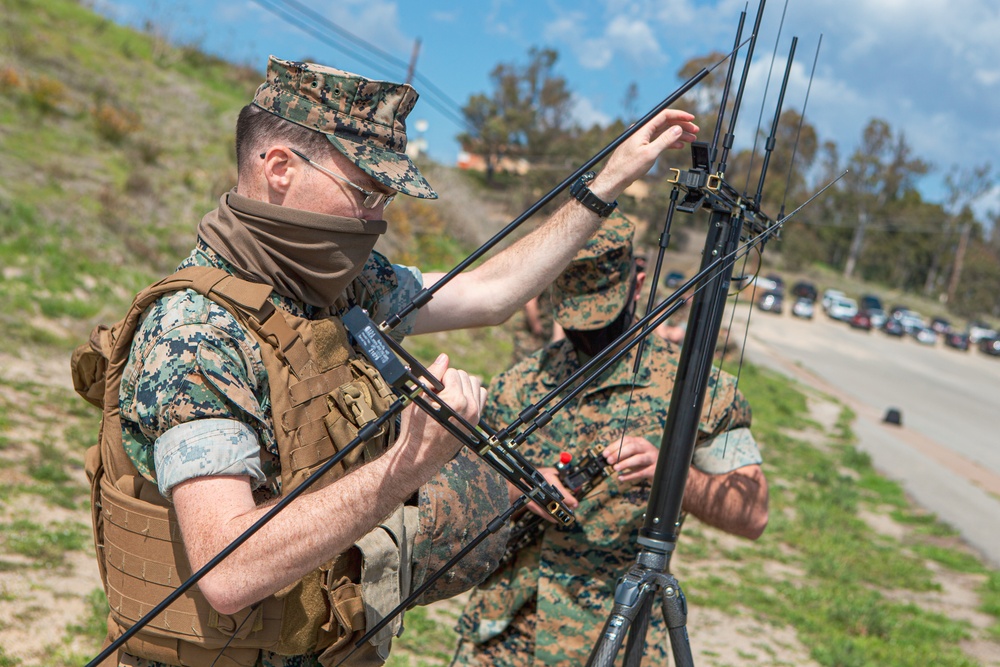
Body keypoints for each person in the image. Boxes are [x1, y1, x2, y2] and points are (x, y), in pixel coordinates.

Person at [74, 55, 700, 667]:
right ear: (280, 168)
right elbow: (229, 570)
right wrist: (407, 467)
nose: (378, 218)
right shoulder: (195, 334)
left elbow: (491, 294)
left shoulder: (333, 284)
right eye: (364, 192)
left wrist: (605, 184)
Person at [451, 215, 769, 666]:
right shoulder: (519, 385)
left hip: (618, 643)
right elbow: (455, 492)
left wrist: (672, 473)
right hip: (502, 639)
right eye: (576, 319)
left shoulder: (698, 391)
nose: (590, 335)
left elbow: (752, 515)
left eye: (602, 315)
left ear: (637, 284)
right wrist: (515, 487)